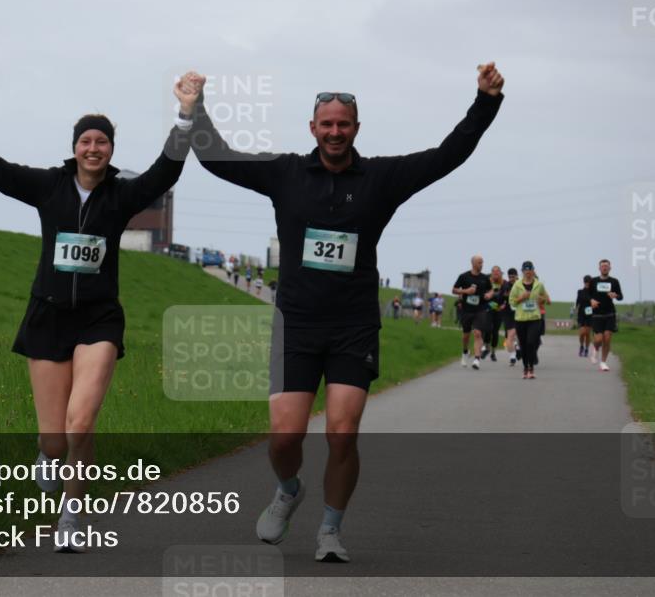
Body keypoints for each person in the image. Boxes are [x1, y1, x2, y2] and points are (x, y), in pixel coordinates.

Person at [179, 64, 504, 562]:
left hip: (354, 325)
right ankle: (289, 490)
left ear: (356, 129)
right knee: (285, 435)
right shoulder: (284, 172)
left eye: (344, 124)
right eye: (326, 124)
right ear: (313, 129)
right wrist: (193, 107)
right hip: (297, 325)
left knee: (341, 431)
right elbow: (216, 158)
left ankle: (330, 530)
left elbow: (447, 155)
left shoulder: (381, 179)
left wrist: (484, 101)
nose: (335, 132)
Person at [0, 84, 191, 552]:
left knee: (82, 425)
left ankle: (73, 516)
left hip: (99, 321)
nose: (93, 148)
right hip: (47, 319)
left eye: (101, 142)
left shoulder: (121, 196)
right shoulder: (47, 187)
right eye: (85, 141)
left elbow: (166, 171)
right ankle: (47, 453)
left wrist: (185, 115)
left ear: (111, 150)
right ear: (74, 148)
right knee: (56, 439)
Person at [508, 260, 550, 379]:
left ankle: (531, 368)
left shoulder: (539, 284)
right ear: (522, 271)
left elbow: (546, 299)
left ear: (533, 271)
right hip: (520, 319)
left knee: (531, 343)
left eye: (530, 269)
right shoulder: (517, 285)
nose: (528, 272)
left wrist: (541, 299)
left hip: (534, 319)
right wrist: (521, 298)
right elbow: (512, 302)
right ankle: (525, 368)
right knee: (523, 345)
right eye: (525, 270)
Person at [452, 255, 494, 370]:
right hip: (466, 310)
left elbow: (491, 290)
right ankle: (465, 351)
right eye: (479, 263)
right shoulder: (464, 276)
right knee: (466, 336)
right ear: (473, 263)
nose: (482, 265)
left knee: (477, 333)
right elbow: (454, 289)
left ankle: (476, 359)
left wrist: (488, 295)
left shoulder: (485, 278)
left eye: (482, 263)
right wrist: (466, 291)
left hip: (480, 309)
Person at [589, 259, 623, 372]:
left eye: (606, 266)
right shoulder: (593, 281)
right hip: (597, 315)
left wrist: (615, 295)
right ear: (599, 268)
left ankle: (603, 362)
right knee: (599, 339)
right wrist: (591, 301)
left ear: (610, 268)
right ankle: (595, 348)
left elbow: (621, 296)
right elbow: (586, 295)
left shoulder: (614, 281)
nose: (604, 268)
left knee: (607, 338)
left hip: (609, 313)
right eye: (602, 266)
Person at [483, 266, 509, 362]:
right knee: (488, 328)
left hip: (499, 310)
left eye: (497, 272)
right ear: (491, 273)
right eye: (493, 272)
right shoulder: (488, 282)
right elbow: (484, 294)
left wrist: (504, 305)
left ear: (501, 273)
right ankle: (487, 347)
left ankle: (493, 352)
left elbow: (508, 296)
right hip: (489, 307)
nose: (495, 274)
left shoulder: (505, 283)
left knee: (495, 331)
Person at [502, 267, 520, 365]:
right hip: (508, 313)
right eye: (510, 277)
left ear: (517, 276)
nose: (511, 279)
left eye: (513, 276)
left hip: (520, 313)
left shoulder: (521, 285)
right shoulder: (505, 286)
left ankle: (518, 348)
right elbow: (501, 297)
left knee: (517, 334)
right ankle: (512, 356)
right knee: (510, 335)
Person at [575, 275, 593, 357]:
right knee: (582, 333)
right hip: (581, 314)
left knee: (587, 333)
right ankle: (581, 346)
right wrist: (576, 309)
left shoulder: (593, 293)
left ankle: (586, 349)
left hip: (590, 314)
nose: (587, 284)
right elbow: (577, 303)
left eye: (589, 282)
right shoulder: (580, 292)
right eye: (586, 282)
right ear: (584, 282)